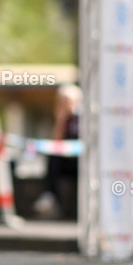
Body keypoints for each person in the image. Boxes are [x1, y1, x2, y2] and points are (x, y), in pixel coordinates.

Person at [35, 84, 82, 219]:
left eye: (65, 101)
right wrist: (60, 120)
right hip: (66, 161)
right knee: (53, 158)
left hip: (81, 161)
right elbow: (56, 143)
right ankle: (50, 196)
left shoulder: (83, 118)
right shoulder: (63, 118)